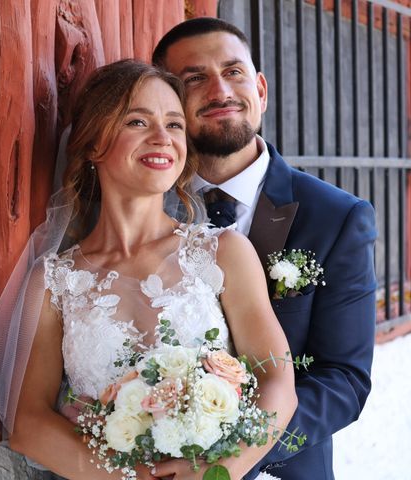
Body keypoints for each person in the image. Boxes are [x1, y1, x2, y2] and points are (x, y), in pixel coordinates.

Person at [0, 59, 297, 480]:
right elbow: (28, 424)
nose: (163, 138)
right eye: (138, 122)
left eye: (175, 125)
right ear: (92, 145)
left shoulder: (224, 253)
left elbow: (277, 384)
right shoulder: (54, 281)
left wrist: (218, 471)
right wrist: (130, 477)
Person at [151, 17, 377, 479]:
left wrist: (232, 454)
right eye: (194, 78)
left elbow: (344, 380)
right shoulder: (139, 207)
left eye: (233, 72)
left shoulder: (336, 217)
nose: (219, 91)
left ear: (261, 89)